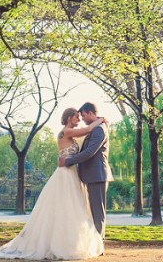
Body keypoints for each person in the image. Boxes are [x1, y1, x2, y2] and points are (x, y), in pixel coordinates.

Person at [0, 107, 106, 260]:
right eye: (77, 117)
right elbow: (89, 128)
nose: (79, 119)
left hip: (72, 173)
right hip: (65, 174)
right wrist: (101, 120)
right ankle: (62, 244)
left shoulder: (70, 133)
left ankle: (69, 241)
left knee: (71, 209)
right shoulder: (66, 131)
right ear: (70, 117)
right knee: (66, 208)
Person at [60, 102, 114, 238]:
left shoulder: (99, 129)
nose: (82, 119)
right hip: (92, 175)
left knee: (97, 211)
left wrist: (67, 161)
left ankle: (98, 244)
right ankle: (95, 242)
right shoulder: (96, 128)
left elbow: (89, 152)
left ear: (90, 113)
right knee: (93, 211)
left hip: (97, 175)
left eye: (83, 115)